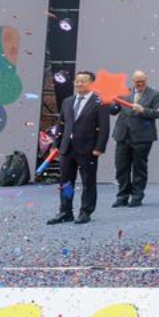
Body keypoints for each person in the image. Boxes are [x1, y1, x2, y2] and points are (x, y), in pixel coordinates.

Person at [47, 71, 110, 225]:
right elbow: (61, 125)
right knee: (66, 182)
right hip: (66, 148)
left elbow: (104, 127)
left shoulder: (100, 102)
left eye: (83, 81)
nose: (79, 84)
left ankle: (85, 211)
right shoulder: (67, 101)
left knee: (88, 182)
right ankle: (65, 211)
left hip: (88, 149)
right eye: (77, 81)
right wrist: (56, 144)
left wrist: (99, 147)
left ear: (92, 83)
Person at [108, 70, 159, 208]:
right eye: (137, 81)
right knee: (121, 168)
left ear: (146, 80)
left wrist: (143, 110)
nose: (140, 84)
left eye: (142, 81)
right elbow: (113, 111)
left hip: (143, 137)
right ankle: (122, 196)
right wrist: (110, 103)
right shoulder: (124, 92)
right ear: (132, 81)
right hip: (122, 135)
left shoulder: (155, 94)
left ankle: (137, 196)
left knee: (139, 168)